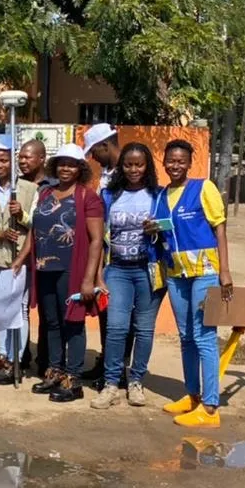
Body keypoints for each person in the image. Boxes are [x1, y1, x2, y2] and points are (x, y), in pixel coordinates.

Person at [154, 139, 234, 428]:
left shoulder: (203, 188)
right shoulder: (161, 196)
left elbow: (219, 229)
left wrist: (225, 271)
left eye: (181, 161)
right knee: (186, 336)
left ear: (189, 163)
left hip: (205, 272)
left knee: (203, 336)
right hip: (176, 274)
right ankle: (192, 396)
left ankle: (210, 407)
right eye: (170, 160)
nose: (175, 165)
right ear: (164, 162)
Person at [92, 143, 166, 410]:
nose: (134, 169)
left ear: (147, 167)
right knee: (116, 327)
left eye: (139, 165)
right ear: (121, 166)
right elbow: (98, 238)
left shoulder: (159, 195)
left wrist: (158, 228)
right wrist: (98, 275)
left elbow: (172, 229)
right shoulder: (109, 195)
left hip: (149, 269)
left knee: (144, 329)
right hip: (117, 270)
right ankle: (111, 384)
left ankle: (136, 382)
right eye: (128, 164)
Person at [29, 144, 105, 403]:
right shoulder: (45, 194)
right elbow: (35, 229)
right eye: (62, 163)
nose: (66, 168)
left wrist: (89, 278)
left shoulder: (88, 197)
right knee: (51, 321)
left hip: (71, 270)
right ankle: (55, 370)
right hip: (45, 267)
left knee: (72, 322)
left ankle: (73, 378)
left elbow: (96, 240)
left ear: (80, 168)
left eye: (72, 164)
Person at [0, 135, 38, 386]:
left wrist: (21, 214)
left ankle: (15, 359)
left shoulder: (29, 189)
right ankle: (2, 355)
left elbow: (37, 225)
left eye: (4, 160)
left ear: (12, 161)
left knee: (17, 310)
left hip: (17, 258)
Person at [82, 123, 124, 385]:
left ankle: (118, 370)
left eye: (95, 152)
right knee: (106, 314)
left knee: (121, 319)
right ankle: (106, 362)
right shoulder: (106, 176)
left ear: (105, 146)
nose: (94, 158)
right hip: (105, 257)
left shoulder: (129, 172)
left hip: (124, 258)